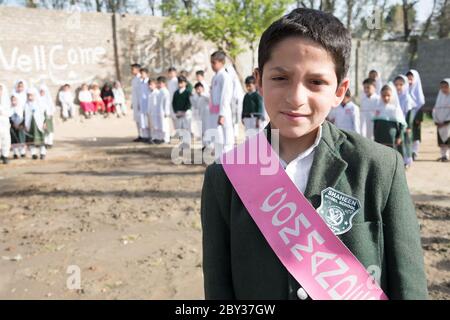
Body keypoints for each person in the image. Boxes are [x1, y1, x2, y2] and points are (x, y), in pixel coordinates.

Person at [201, 8, 427, 300]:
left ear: (339, 90)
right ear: (258, 80)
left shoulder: (379, 167)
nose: (295, 98)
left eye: (316, 82)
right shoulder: (225, 178)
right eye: (280, 78)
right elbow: (219, 288)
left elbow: (408, 284)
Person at [210, 51, 234, 153]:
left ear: (221, 62)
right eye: (211, 62)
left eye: (214, 63)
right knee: (218, 135)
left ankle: (228, 160)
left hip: (223, 110)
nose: (212, 65)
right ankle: (220, 159)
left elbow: (225, 96)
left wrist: (222, 114)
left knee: (226, 136)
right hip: (215, 110)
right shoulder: (215, 77)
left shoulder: (225, 76)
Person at [394, 75, 415, 167]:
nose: (398, 87)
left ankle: (408, 160)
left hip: (405, 124)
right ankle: (401, 160)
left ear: (405, 85)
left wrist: (409, 126)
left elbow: (409, 113)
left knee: (406, 141)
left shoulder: (407, 98)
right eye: (396, 84)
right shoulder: (394, 96)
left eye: (401, 84)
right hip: (397, 123)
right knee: (399, 141)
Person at [406, 69, 425, 161]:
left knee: (415, 134)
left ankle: (415, 151)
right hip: (406, 117)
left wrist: (418, 118)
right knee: (407, 134)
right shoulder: (405, 91)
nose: (409, 81)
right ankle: (408, 151)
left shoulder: (418, 94)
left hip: (415, 117)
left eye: (411, 79)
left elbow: (420, 105)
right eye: (407, 79)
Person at [24, 88, 47, 160]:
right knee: (31, 140)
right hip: (30, 125)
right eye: (28, 96)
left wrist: (44, 122)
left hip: (39, 124)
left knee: (41, 139)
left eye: (31, 95)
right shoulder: (26, 105)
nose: (30, 97)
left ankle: (42, 153)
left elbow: (44, 114)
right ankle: (33, 154)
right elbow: (24, 115)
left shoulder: (39, 103)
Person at [432, 78, 450, 162]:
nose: (444, 89)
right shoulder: (440, 97)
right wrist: (436, 120)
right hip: (440, 122)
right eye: (442, 87)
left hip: (448, 123)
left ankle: (447, 155)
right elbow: (435, 109)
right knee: (442, 141)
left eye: (446, 87)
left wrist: (446, 121)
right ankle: (443, 156)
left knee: (448, 139)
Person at [154, 76, 172, 144]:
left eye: (160, 83)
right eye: (158, 83)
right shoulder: (160, 91)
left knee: (165, 126)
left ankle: (166, 139)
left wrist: (166, 112)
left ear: (164, 83)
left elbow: (167, 103)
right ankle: (161, 138)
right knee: (161, 125)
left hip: (164, 112)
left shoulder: (165, 92)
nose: (159, 84)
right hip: (159, 111)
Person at [38, 84, 55, 149]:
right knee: (43, 129)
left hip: (48, 116)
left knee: (49, 130)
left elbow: (52, 108)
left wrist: (50, 114)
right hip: (40, 117)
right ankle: (44, 142)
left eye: (43, 91)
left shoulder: (48, 99)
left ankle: (49, 142)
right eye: (40, 91)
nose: (42, 93)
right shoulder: (38, 98)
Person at [9, 94, 26, 159]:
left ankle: (22, 152)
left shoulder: (21, 108)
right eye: (12, 100)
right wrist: (13, 123)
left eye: (15, 100)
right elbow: (9, 117)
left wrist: (20, 124)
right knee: (14, 140)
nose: (13, 102)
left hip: (20, 127)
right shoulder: (9, 109)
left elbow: (23, 117)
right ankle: (15, 153)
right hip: (12, 127)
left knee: (21, 139)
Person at [131, 63, 142, 141]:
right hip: (135, 102)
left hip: (140, 102)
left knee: (142, 119)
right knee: (137, 119)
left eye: (133, 69)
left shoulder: (140, 78)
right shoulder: (134, 79)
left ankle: (144, 135)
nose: (132, 70)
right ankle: (140, 135)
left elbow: (140, 92)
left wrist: (139, 102)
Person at [0, 83, 11, 164]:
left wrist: (3, 112)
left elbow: (9, 111)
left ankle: (5, 156)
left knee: (6, 139)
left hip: (4, 123)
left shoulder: (6, 100)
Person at [139, 68, 151, 142]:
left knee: (149, 121)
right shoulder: (141, 82)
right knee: (143, 120)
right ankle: (145, 136)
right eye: (141, 73)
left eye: (143, 73)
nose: (141, 75)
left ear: (147, 74)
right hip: (142, 103)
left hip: (148, 103)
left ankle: (150, 136)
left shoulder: (149, 82)